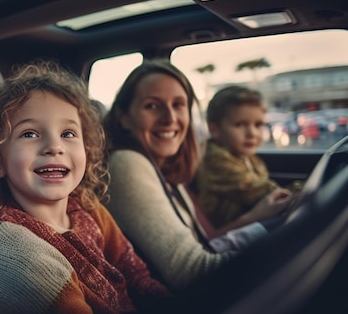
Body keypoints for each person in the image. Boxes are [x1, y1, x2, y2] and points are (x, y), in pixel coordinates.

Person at [0, 61, 170, 314]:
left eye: (68, 134)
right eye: (29, 134)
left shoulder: (86, 207)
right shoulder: (14, 250)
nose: (54, 146)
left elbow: (136, 275)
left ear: (87, 149)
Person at [102, 60, 293, 291]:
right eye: (152, 106)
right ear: (124, 118)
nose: (170, 118)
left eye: (178, 105)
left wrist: (258, 216)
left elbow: (207, 240)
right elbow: (195, 272)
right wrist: (290, 251)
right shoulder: (127, 163)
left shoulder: (167, 172)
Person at [195, 86, 301, 229]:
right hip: (227, 234)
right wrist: (305, 188)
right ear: (215, 130)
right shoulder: (214, 159)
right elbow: (264, 192)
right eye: (240, 124)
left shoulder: (251, 159)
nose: (252, 133)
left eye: (258, 125)